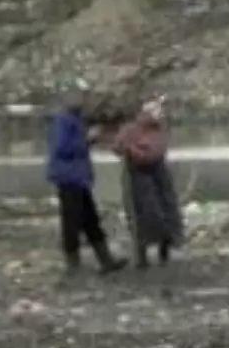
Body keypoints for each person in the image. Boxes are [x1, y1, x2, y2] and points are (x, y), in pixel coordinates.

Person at [45, 90, 127, 275]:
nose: (83, 101)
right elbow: (62, 149)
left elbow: (78, 146)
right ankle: (73, 265)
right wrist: (87, 139)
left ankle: (106, 260)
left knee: (90, 219)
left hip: (79, 178)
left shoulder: (75, 119)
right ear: (67, 99)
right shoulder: (62, 120)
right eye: (79, 97)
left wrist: (91, 140)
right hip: (68, 177)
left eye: (84, 97)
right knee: (71, 222)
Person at [112, 97, 185, 268]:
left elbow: (154, 154)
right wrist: (126, 148)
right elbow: (117, 147)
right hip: (135, 176)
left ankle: (164, 249)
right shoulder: (130, 129)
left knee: (164, 212)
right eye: (156, 111)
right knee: (141, 215)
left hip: (157, 174)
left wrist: (133, 150)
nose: (160, 114)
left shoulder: (159, 131)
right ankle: (141, 254)